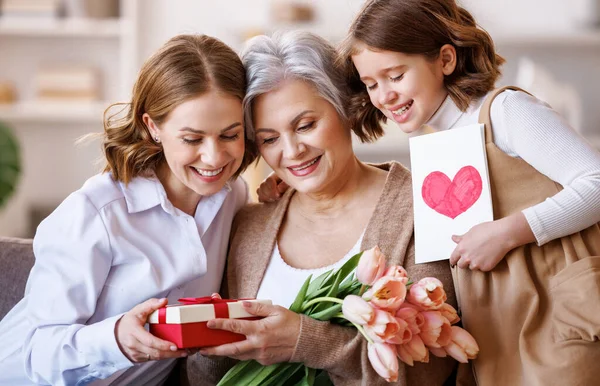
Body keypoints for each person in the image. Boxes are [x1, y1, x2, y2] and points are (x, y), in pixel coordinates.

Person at [256, 1, 600, 385]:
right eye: (371, 84)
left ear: (446, 60)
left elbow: (595, 182)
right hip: (502, 322)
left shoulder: (505, 111)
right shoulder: (440, 145)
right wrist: (296, 177)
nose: (384, 96)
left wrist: (509, 232)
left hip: (558, 313)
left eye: (396, 75)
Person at [185, 31, 458, 386]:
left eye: (306, 125)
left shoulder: (424, 208)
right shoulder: (249, 224)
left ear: (346, 107)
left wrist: (305, 340)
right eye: (269, 139)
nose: (292, 151)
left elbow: (428, 370)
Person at [0, 34, 257, 385]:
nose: (214, 158)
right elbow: (36, 351)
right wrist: (116, 338)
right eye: (192, 139)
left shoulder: (233, 196)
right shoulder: (97, 212)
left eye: (230, 135)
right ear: (153, 127)